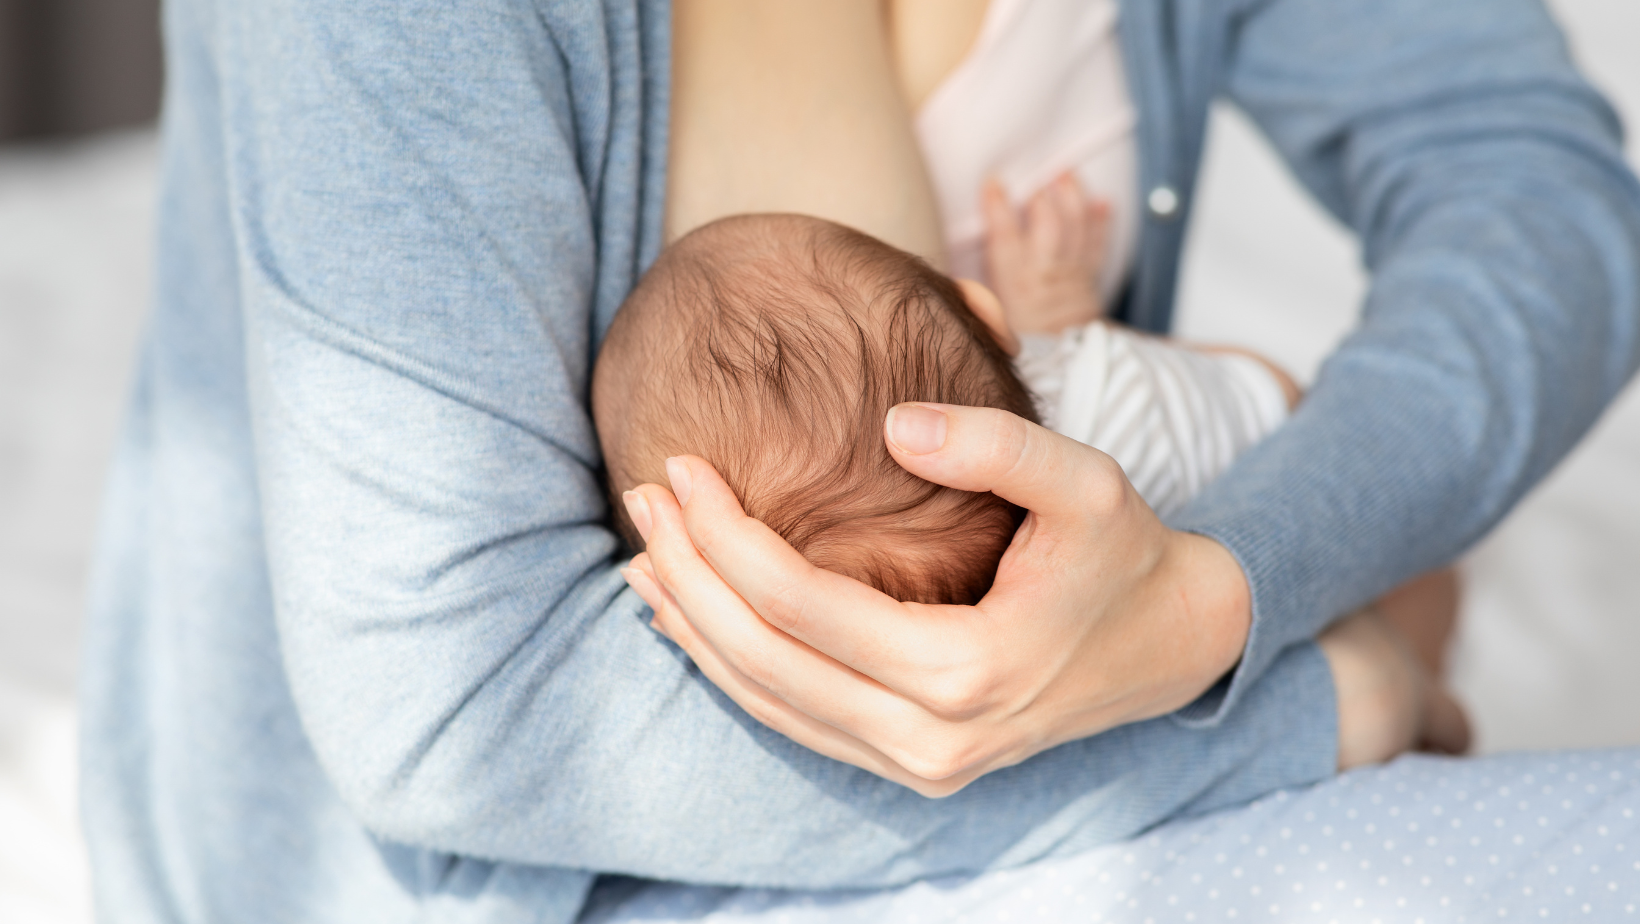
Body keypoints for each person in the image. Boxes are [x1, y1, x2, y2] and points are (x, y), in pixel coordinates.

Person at [79, 1, 1640, 923]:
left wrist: (1223, 600)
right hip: (514, 873)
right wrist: (1307, 702)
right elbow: (467, 716)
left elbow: (1532, 188)